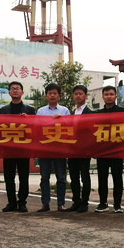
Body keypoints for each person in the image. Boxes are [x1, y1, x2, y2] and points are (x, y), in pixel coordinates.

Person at [0, 81, 35, 213]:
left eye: (17, 88)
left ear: (22, 92)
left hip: (23, 148)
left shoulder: (29, 110)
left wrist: (28, 120)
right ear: (9, 92)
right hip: (8, 148)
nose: (15, 90)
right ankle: (11, 202)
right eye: (13, 89)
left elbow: (35, 127)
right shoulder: (3, 110)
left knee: (24, 177)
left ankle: (22, 202)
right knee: (9, 177)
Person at [36, 83, 70, 212]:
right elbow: (37, 127)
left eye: (54, 93)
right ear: (46, 96)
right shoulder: (40, 111)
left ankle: (61, 203)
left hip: (60, 148)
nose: (52, 96)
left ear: (59, 96)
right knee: (44, 178)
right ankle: (45, 203)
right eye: (50, 93)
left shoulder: (64, 111)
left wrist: (62, 120)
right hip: (44, 148)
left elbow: (70, 127)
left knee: (61, 178)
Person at [94, 86, 124, 213]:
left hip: (116, 150)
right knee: (102, 178)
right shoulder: (97, 113)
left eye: (111, 94)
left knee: (117, 178)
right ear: (103, 97)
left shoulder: (122, 111)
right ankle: (103, 203)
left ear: (116, 96)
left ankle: (117, 204)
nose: (109, 96)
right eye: (106, 94)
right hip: (102, 151)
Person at [65, 85, 92, 213]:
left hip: (85, 150)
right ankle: (76, 201)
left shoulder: (90, 113)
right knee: (74, 177)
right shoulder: (70, 113)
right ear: (73, 96)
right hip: (72, 150)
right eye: (76, 94)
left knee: (85, 177)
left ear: (85, 96)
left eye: (80, 93)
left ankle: (84, 202)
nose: (78, 96)